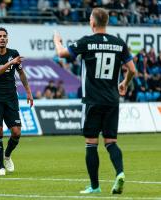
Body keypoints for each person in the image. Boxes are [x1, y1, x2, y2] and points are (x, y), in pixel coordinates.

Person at [53, 8, 136, 194]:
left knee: (91, 143)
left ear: (92, 23)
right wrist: (124, 83)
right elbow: (132, 69)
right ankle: (120, 173)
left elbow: (61, 54)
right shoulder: (118, 43)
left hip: (92, 100)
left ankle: (95, 186)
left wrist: (57, 41)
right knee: (111, 142)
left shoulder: (87, 42)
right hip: (112, 100)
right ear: (106, 22)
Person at [0, 27, 33, 176]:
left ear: (7, 38)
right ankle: (0, 167)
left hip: (11, 97)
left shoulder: (14, 53)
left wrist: (29, 92)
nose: (2, 38)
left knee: (16, 132)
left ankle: (7, 155)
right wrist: (11, 63)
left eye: (4, 36)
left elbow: (21, 73)